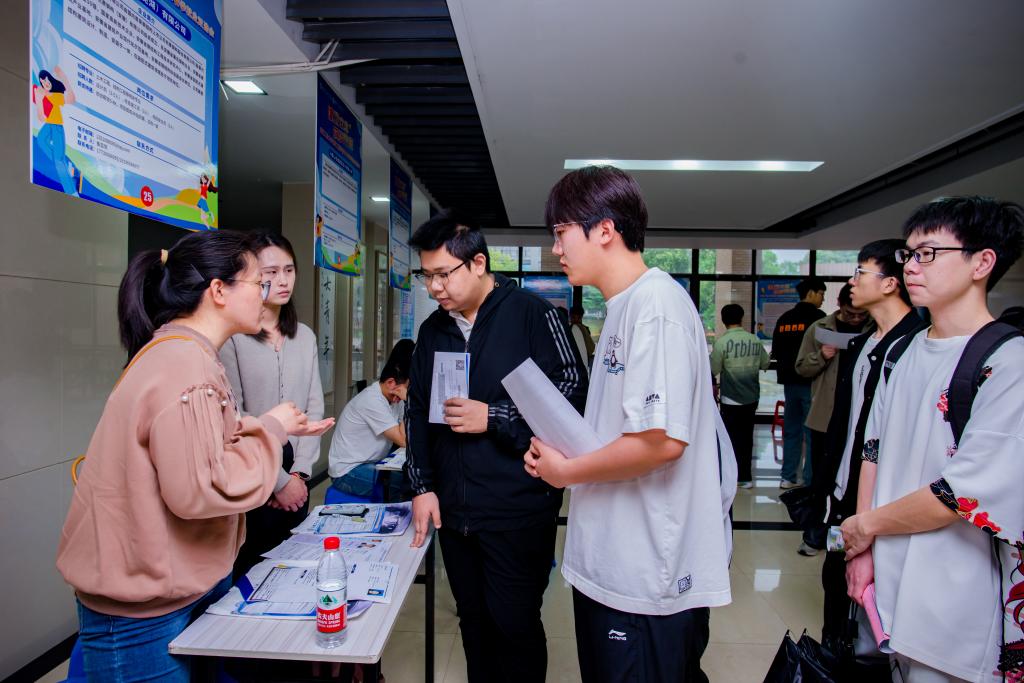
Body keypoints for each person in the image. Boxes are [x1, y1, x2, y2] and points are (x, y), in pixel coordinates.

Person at [55, 231, 333, 681]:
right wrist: (273, 428)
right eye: (258, 282)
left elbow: (202, 447)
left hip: (174, 589)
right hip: (146, 609)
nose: (266, 292)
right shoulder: (185, 364)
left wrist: (269, 429)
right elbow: (202, 488)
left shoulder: (188, 353)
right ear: (219, 291)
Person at [525, 166, 735, 682]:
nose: (556, 248)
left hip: (646, 576)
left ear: (604, 230)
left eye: (561, 232)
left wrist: (565, 472)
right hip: (614, 561)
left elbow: (660, 443)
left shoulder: (656, 305)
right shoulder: (622, 307)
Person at [842, 197, 1024, 682]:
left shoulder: (1007, 360)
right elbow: (872, 449)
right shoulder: (900, 351)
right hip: (889, 581)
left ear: (981, 263)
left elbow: (960, 494)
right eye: (909, 254)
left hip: (957, 596)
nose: (910, 267)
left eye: (928, 254)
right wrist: (862, 550)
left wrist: (864, 528)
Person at [405, 209, 588, 683]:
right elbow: (416, 410)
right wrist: (422, 486)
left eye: (443, 274)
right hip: (455, 511)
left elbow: (572, 392)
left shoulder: (533, 315)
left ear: (479, 263)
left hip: (518, 507)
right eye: (426, 276)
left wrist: (494, 417)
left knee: (514, 623)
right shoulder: (433, 330)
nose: (434, 288)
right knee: (473, 621)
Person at [815, 239, 921, 657]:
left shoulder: (914, 346)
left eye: (861, 272)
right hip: (843, 496)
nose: (852, 281)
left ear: (891, 283)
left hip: (880, 504)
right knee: (833, 580)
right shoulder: (861, 344)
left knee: (873, 608)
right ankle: (831, 655)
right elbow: (844, 424)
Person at [220, 233, 326, 578]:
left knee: (293, 570)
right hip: (252, 471)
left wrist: (300, 474)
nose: (282, 280)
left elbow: (313, 406)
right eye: (270, 272)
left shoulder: (305, 336)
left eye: (289, 270)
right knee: (251, 572)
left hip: (297, 478)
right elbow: (234, 415)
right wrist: (277, 481)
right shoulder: (233, 337)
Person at [792, 284, 870, 556]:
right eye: (850, 314)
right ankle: (815, 537)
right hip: (825, 417)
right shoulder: (819, 328)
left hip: (859, 420)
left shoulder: (875, 329)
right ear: (839, 305)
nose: (856, 319)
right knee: (821, 482)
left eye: (861, 315)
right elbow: (801, 367)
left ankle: (839, 543)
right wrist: (821, 356)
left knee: (850, 485)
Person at [329, 339, 415, 500]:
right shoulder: (371, 400)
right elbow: (403, 439)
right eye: (406, 390)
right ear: (391, 383)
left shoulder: (393, 397)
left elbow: (408, 431)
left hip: (373, 461)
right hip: (348, 471)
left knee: (411, 474)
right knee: (404, 483)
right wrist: (409, 401)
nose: (404, 395)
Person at [771, 276, 827, 489]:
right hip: (812, 382)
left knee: (791, 430)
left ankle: (787, 477)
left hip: (789, 384)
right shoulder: (820, 319)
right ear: (811, 293)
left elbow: (776, 350)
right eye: (821, 294)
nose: (822, 299)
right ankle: (809, 480)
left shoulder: (785, 319)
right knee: (812, 432)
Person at [710, 303, 769, 488]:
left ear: (723, 320)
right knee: (747, 438)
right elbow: (765, 364)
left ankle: (730, 477)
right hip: (751, 398)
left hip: (730, 399)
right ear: (742, 318)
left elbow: (713, 369)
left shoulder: (721, 343)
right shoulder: (754, 340)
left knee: (730, 439)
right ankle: (745, 477)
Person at [33, 67, 77, 196]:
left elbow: (71, 99)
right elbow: (41, 117)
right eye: (42, 82)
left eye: (46, 81)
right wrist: (39, 98)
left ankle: (72, 191)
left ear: (50, 80)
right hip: (49, 125)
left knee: (58, 161)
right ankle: (66, 165)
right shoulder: (43, 96)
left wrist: (63, 76)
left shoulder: (55, 96)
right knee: (41, 140)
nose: (45, 84)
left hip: (57, 126)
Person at [569, 304, 596, 371]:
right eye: (573, 317)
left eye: (578, 318)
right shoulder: (584, 329)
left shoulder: (583, 329)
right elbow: (591, 348)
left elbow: (590, 348)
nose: (576, 320)